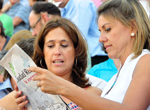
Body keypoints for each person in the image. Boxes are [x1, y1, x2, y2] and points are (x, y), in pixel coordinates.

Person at [15, 0, 150, 110]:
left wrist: (64, 88)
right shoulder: (119, 75)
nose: (101, 39)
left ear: (132, 27)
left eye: (107, 29)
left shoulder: (145, 60)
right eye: (100, 31)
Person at [15, 18, 102, 110]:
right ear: (42, 52)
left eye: (64, 45)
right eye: (50, 46)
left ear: (76, 51)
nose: (57, 52)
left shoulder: (93, 94)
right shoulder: (27, 95)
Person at [54, 0, 108, 66]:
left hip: (95, 57)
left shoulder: (81, 4)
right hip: (86, 56)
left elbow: (78, 36)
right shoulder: (63, 8)